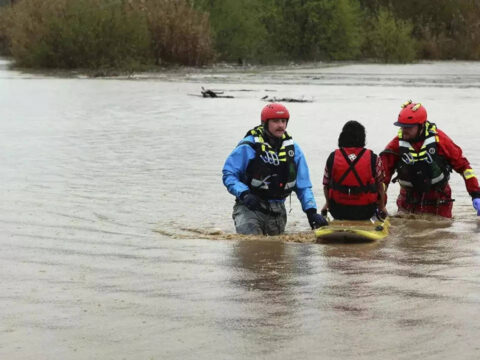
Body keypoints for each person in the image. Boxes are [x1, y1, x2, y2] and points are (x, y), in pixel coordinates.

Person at [222, 103, 328, 235]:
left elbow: (303, 186)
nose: (281, 125)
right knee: (252, 246)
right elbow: (229, 174)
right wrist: (244, 193)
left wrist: (311, 212)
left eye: (284, 121)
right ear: (265, 123)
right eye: (276, 121)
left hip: (277, 212)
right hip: (249, 208)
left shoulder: (294, 150)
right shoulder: (248, 146)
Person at [380, 100, 480, 218]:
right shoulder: (395, 146)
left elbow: (464, 167)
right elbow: (382, 179)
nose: (404, 130)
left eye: (409, 127)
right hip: (408, 202)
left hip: (439, 201)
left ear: (421, 125)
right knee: (405, 231)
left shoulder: (441, 141)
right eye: (402, 126)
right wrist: (380, 206)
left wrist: (476, 194)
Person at [321, 120, 387, 220]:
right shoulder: (374, 158)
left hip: (337, 211)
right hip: (366, 211)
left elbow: (326, 186)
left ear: (342, 137)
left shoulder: (332, 157)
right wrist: (382, 207)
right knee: (381, 183)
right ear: (363, 138)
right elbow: (380, 187)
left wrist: (327, 204)